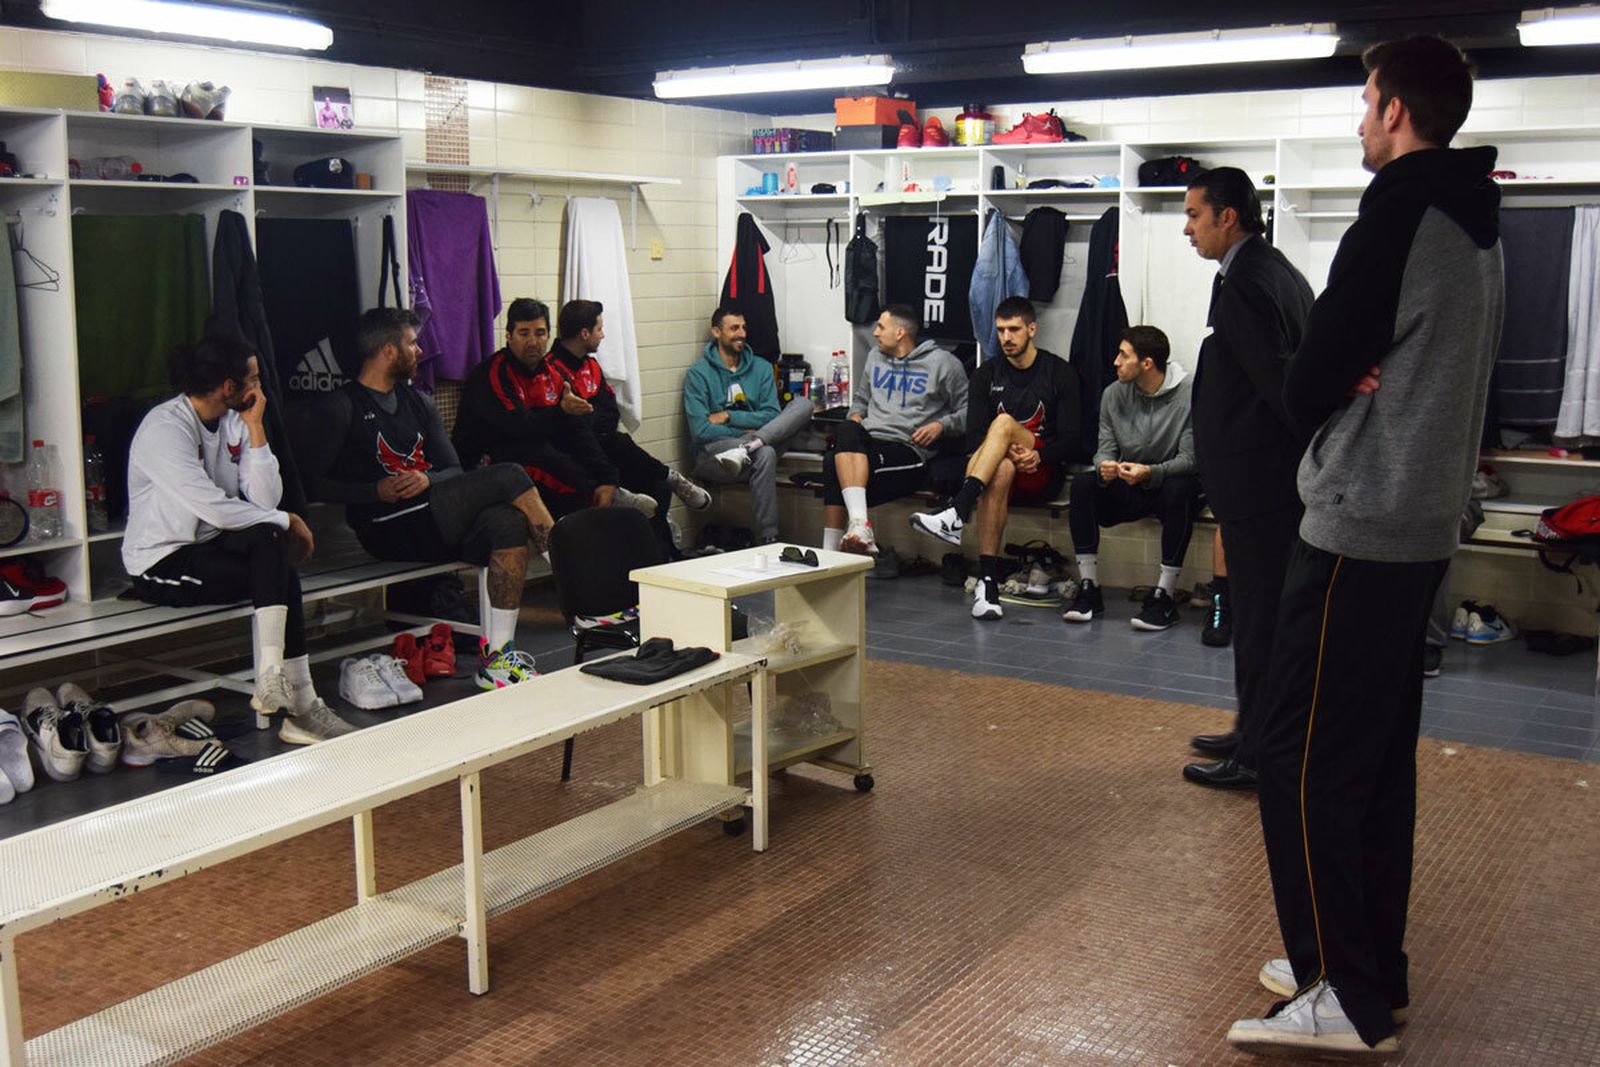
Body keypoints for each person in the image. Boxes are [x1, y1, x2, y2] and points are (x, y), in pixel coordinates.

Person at [1227, 37, 1503, 1058]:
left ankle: (1338, 988)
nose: (1358, 119)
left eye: (1364, 100)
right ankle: (1366, 966)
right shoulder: (1477, 218)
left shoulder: (1397, 213)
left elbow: (1307, 381)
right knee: (1375, 759)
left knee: (1295, 755)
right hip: (1421, 520)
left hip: (1359, 521)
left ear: (1393, 110)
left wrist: (1340, 373)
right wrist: (1358, 365)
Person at [308, 307, 555, 690]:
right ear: (389, 351)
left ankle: (498, 658)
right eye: (412, 343)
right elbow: (312, 484)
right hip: (386, 527)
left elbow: (452, 468)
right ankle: (573, 576)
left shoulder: (418, 401)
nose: (420, 351)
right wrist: (374, 490)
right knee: (509, 474)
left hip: (431, 516)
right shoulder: (342, 405)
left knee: (506, 522)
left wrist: (428, 478)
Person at [124, 334, 353, 744]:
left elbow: (264, 499)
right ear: (229, 386)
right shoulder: (164, 427)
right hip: (162, 562)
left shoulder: (236, 420)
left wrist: (256, 427)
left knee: (270, 540)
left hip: (212, 544)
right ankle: (300, 707)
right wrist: (288, 520)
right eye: (254, 379)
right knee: (278, 561)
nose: (260, 388)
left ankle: (271, 679)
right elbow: (214, 507)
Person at [1176, 166, 1315, 793]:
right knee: (1258, 614)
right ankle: (1250, 727)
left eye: (1194, 215)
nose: (1188, 228)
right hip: (1261, 480)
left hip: (1262, 483)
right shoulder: (1265, 269)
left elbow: (1281, 388)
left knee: (1260, 619)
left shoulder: (1251, 282)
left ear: (1227, 216)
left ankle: (1260, 752)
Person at [454, 299, 705, 540]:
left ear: (548, 334)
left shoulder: (554, 374)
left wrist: (607, 479)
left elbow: (579, 429)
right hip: (485, 461)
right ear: (509, 336)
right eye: (524, 333)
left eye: (540, 333)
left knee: (611, 442)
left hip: (533, 445)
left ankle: (655, 494)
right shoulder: (494, 373)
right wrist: (561, 414)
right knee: (540, 451)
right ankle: (603, 504)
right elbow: (518, 427)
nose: (533, 342)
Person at [910, 297, 1084, 619]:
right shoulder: (986, 374)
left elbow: (1073, 439)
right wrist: (1006, 451)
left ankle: (958, 508)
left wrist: (1039, 455)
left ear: (1032, 329)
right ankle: (988, 585)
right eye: (1001, 330)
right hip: (997, 468)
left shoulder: (1058, 372)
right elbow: (975, 439)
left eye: (1014, 329)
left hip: (1041, 468)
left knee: (1003, 424)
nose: (1006, 337)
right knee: (1001, 467)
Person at [1059, 326, 1199, 631]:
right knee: (1083, 484)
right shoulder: (1113, 393)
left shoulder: (1190, 394)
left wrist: (1151, 473)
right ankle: (1089, 588)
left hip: (1166, 482)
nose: (1115, 362)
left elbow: (1191, 460)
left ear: (1146, 363)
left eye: (1123, 355)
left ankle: (1165, 596)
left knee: (1182, 489)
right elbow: (1104, 449)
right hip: (1129, 481)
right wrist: (1105, 466)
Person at [545, 299, 711, 546]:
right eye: (599, 329)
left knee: (656, 485)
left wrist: (590, 417)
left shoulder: (591, 365)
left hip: (605, 448)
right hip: (577, 459)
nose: (603, 335)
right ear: (584, 334)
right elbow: (569, 429)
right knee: (618, 441)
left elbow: (611, 412)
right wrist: (592, 420)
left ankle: (662, 554)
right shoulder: (551, 371)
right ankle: (670, 478)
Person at [822, 304, 968, 557]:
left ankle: (832, 551)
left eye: (881, 327)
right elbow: (861, 400)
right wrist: (855, 415)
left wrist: (941, 426)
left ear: (900, 332)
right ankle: (857, 528)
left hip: (908, 447)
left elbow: (969, 413)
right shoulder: (875, 357)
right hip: (870, 439)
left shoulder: (944, 364)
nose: (875, 333)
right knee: (845, 431)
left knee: (832, 463)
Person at [682, 306, 814, 544]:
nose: (741, 333)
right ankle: (769, 538)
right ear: (716, 332)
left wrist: (729, 416)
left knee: (804, 404)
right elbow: (701, 431)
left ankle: (751, 446)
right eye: (734, 328)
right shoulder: (698, 374)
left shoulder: (761, 368)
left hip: (754, 447)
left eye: (743, 327)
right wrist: (744, 432)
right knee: (765, 452)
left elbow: (772, 414)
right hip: (715, 456)